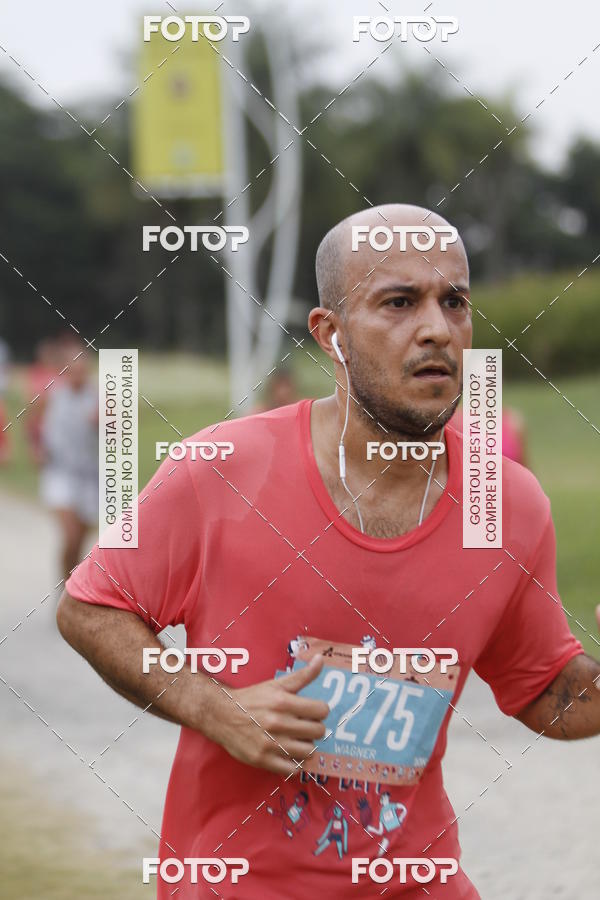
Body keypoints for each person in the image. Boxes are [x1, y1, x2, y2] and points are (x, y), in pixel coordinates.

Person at [57, 204, 600, 899]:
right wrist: (217, 708)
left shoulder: (506, 504)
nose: (437, 328)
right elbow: (90, 608)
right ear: (330, 334)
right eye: (399, 302)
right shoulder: (221, 469)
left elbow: (548, 692)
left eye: (454, 302)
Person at [40, 337, 98, 581]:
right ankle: (67, 588)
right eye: (73, 371)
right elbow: (35, 425)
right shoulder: (52, 396)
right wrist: (37, 448)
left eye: (82, 371)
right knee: (71, 535)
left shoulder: (100, 398)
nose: (77, 375)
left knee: (80, 542)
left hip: (90, 477)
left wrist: (106, 423)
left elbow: (121, 435)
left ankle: (71, 586)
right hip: (60, 473)